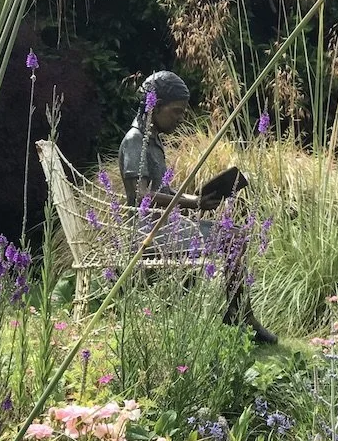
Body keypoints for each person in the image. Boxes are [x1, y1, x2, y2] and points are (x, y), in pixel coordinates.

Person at [118, 70, 278, 345]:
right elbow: (141, 194)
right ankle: (238, 315)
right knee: (234, 237)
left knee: (235, 234)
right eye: (176, 111)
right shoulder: (135, 140)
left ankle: (239, 313)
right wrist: (191, 201)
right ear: (154, 106)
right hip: (148, 230)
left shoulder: (152, 140)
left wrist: (197, 199)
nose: (180, 118)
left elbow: (159, 190)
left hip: (163, 224)